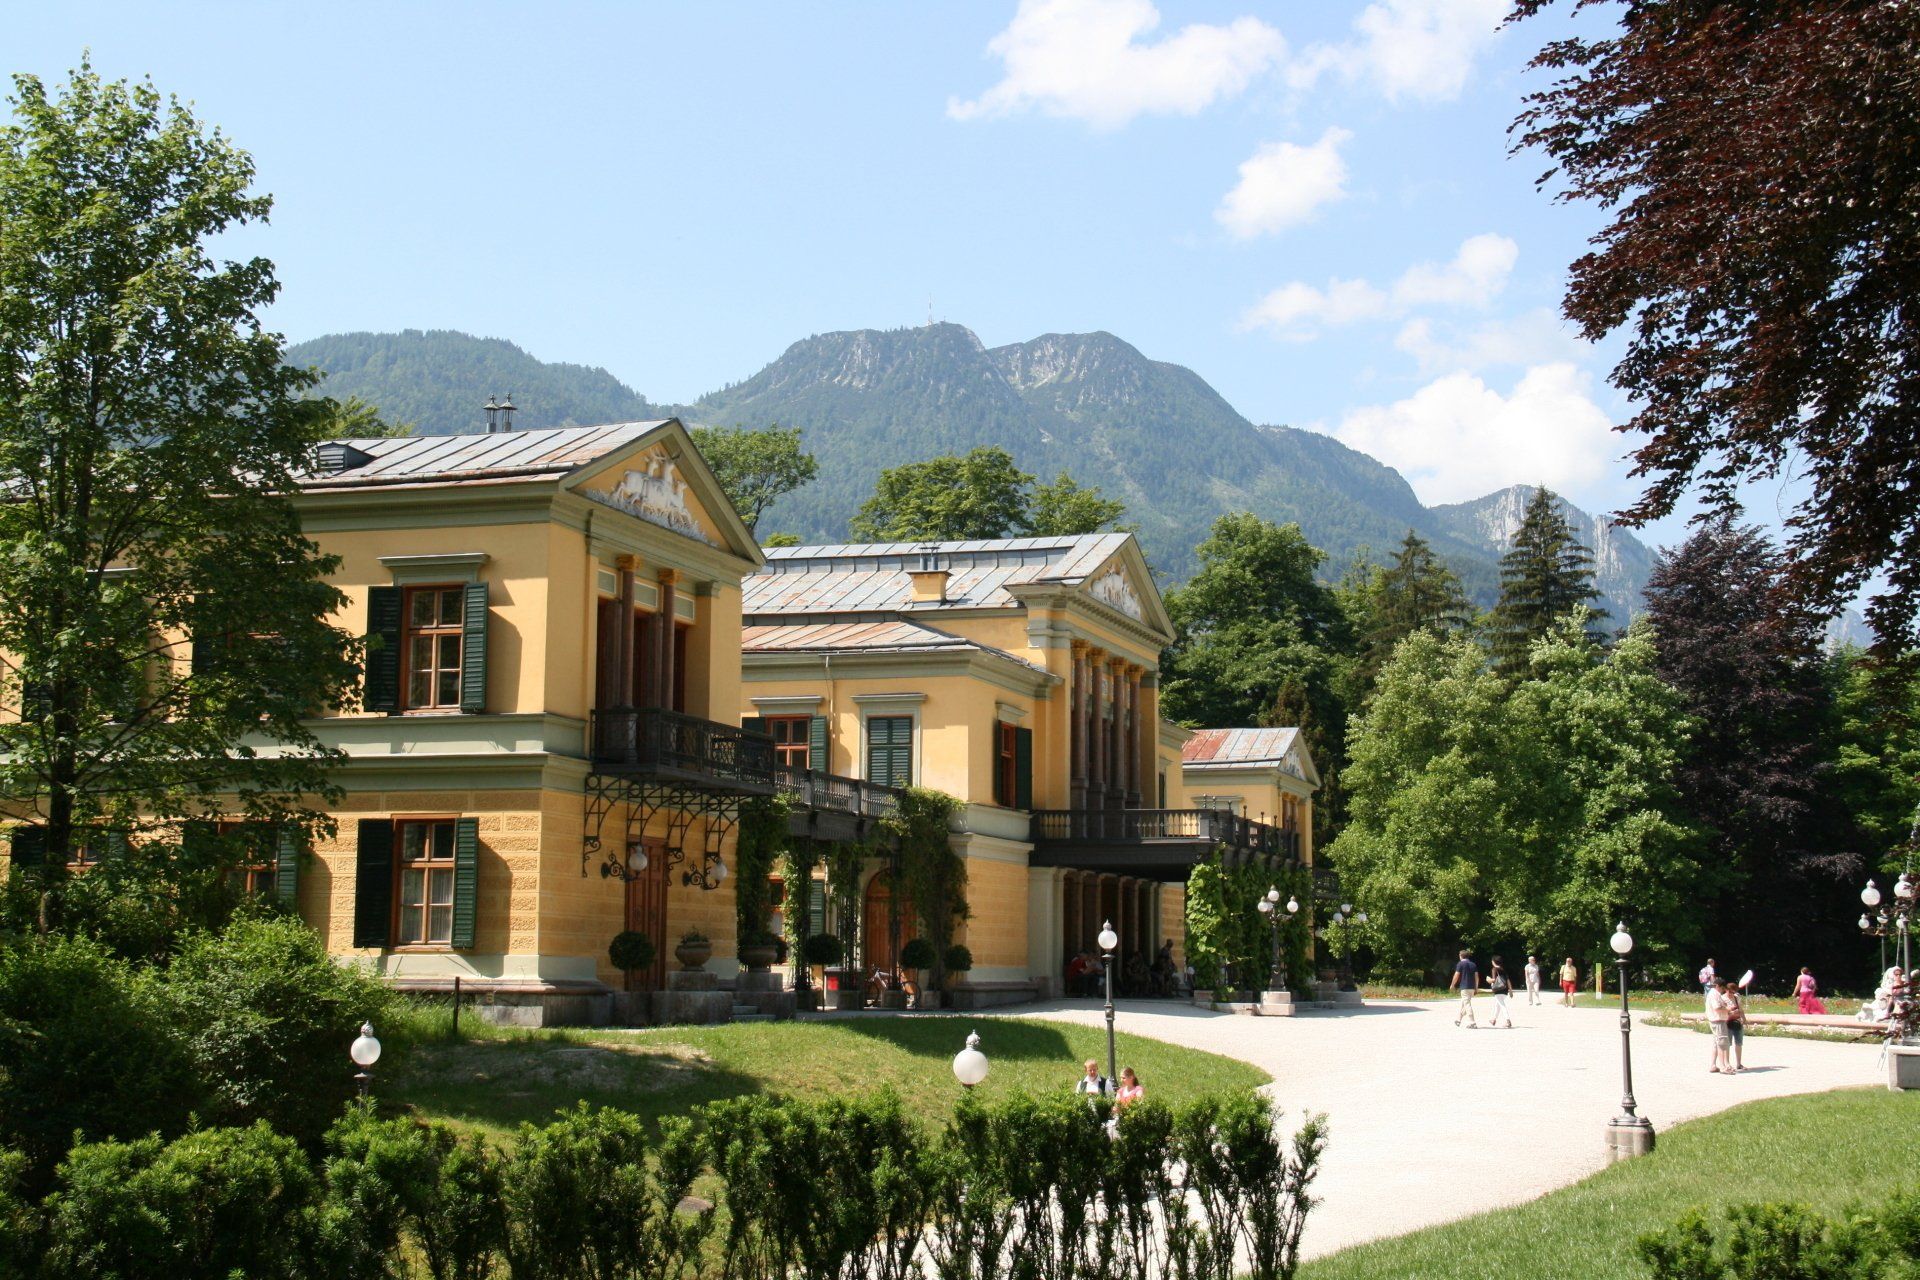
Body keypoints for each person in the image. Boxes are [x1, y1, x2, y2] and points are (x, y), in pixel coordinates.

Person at [1706, 977, 1733, 1073]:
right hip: (1718, 1021)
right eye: (1722, 988)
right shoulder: (1714, 994)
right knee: (1722, 1043)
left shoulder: (1713, 993)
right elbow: (1717, 1008)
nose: (1723, 990)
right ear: (1717, 986)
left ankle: (1713, 1065)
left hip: (1716, 1020)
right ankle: (1723, 1067)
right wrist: (1728, 1009)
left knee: (1716, 1043)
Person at [1450, 948, 1479, 1027]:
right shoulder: (1473, 964)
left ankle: (1472, 1022)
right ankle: (1458, 1020)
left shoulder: (1460, 964)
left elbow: (1456, 975)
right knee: (1464, 1004)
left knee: (1467, 1004)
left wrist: (1452, 985)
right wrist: (1476, 988)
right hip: (1472, 988)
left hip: (1464, 987)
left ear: (1461, 956)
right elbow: (1476, 977)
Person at [1721, 979, 1746, 1072]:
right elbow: (1721, 1011)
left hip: (1737, 1021)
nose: (1732, 994)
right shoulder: (1722, 998)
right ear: (1726, 990)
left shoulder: (1736, 997)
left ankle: (1739, 1063)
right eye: (1730, 992)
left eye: (1733, 992)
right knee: (1727, 1044)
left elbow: (1741, 1009)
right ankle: (1727, 1064)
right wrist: (1730, 1012)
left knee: (1739, 1043)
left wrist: (1744, 1019)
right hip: (1727, 1022)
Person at [1487, 956, 1514, 1028]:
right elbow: (1508, 980)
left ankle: (1508, 1021)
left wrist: (1488, 980)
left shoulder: (1494, 969)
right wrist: (1510, 991)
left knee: (1502, 1005)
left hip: (1498, 989)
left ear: (1493, 962)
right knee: (1498, 1005)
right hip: (1504, 989)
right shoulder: (1503, 969)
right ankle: (1493, 1019)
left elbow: (1494, 980)